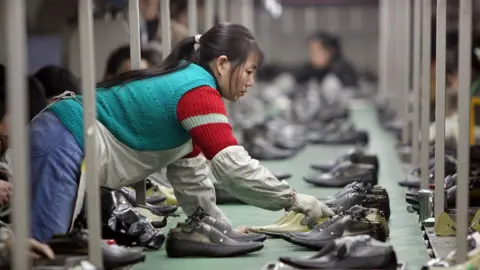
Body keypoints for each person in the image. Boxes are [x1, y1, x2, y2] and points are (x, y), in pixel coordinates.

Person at [28, 22, 334, 242]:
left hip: (64, 137)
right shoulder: (199, 90)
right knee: (48, 248)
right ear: (224, 64)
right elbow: (232, 169)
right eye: (249, 71)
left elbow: (190, 175)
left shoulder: (189, 83)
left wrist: (218, 229)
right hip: (65, 139)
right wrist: (293, 199)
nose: (251, 82)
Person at [294, 31, 358, 88]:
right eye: (310, 52)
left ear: (328, 52)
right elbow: (298, 77)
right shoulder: (311, 69)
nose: (312, 56)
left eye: (315, 52)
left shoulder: (343, 70)